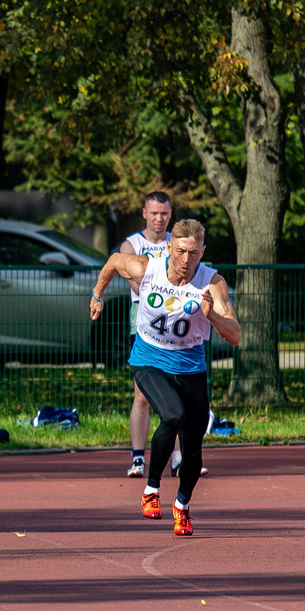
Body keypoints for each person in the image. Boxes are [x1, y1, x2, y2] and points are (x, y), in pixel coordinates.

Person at [91, 217, 241, 535]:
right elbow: (114, 261)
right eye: (181, 251)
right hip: (149, 360)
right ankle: (152, 489)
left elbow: (235, 335)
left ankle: (182, 506)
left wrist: (212, 316)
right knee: (173, 416)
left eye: (194, 253)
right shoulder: (147, 268)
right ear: (170, 246)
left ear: (202, 252)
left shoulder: (212, 282)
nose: (187, 260)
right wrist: (97, 295)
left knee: (193, 449)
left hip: (191, 369)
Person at [115, 191, 175, 479]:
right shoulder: (132, 245)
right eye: (154, 213)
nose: (159, 218)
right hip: (142, 322)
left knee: (176, 393)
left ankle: (178, 458)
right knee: (142, 396)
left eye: (164, 213)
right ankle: (138, 458)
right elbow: (138, 283)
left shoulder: (178, 243)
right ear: (144, 214)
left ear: (170, 214)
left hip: (175, 322)